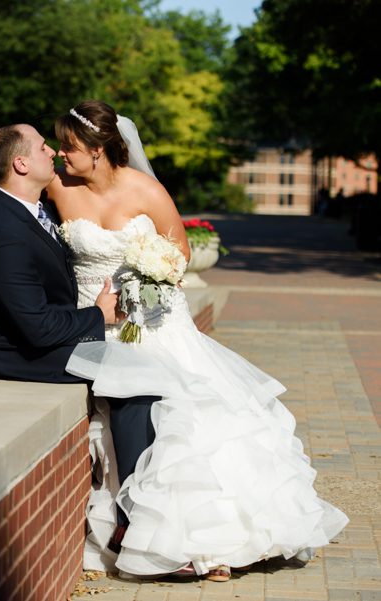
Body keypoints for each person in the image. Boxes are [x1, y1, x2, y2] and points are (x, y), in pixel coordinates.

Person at [48, 100, 348, 581]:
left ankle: (210, 542)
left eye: (70, 146)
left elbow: (178, 254)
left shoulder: (145, 189)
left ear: (99, 149)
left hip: (152, 322)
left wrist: (146, 280)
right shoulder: (57, 186)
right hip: (90, 323)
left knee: (188, 425)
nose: (62, 154)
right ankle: (151, 532)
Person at [0, 124, 119, 382]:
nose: (53, 152)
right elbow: (39, 328)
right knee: (136, 379)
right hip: (22, 359)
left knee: (145, 361)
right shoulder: (2, 235)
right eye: (43, 147)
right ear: (21, 164)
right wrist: (99, 315)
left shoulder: (39, 210)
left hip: (50, 348)